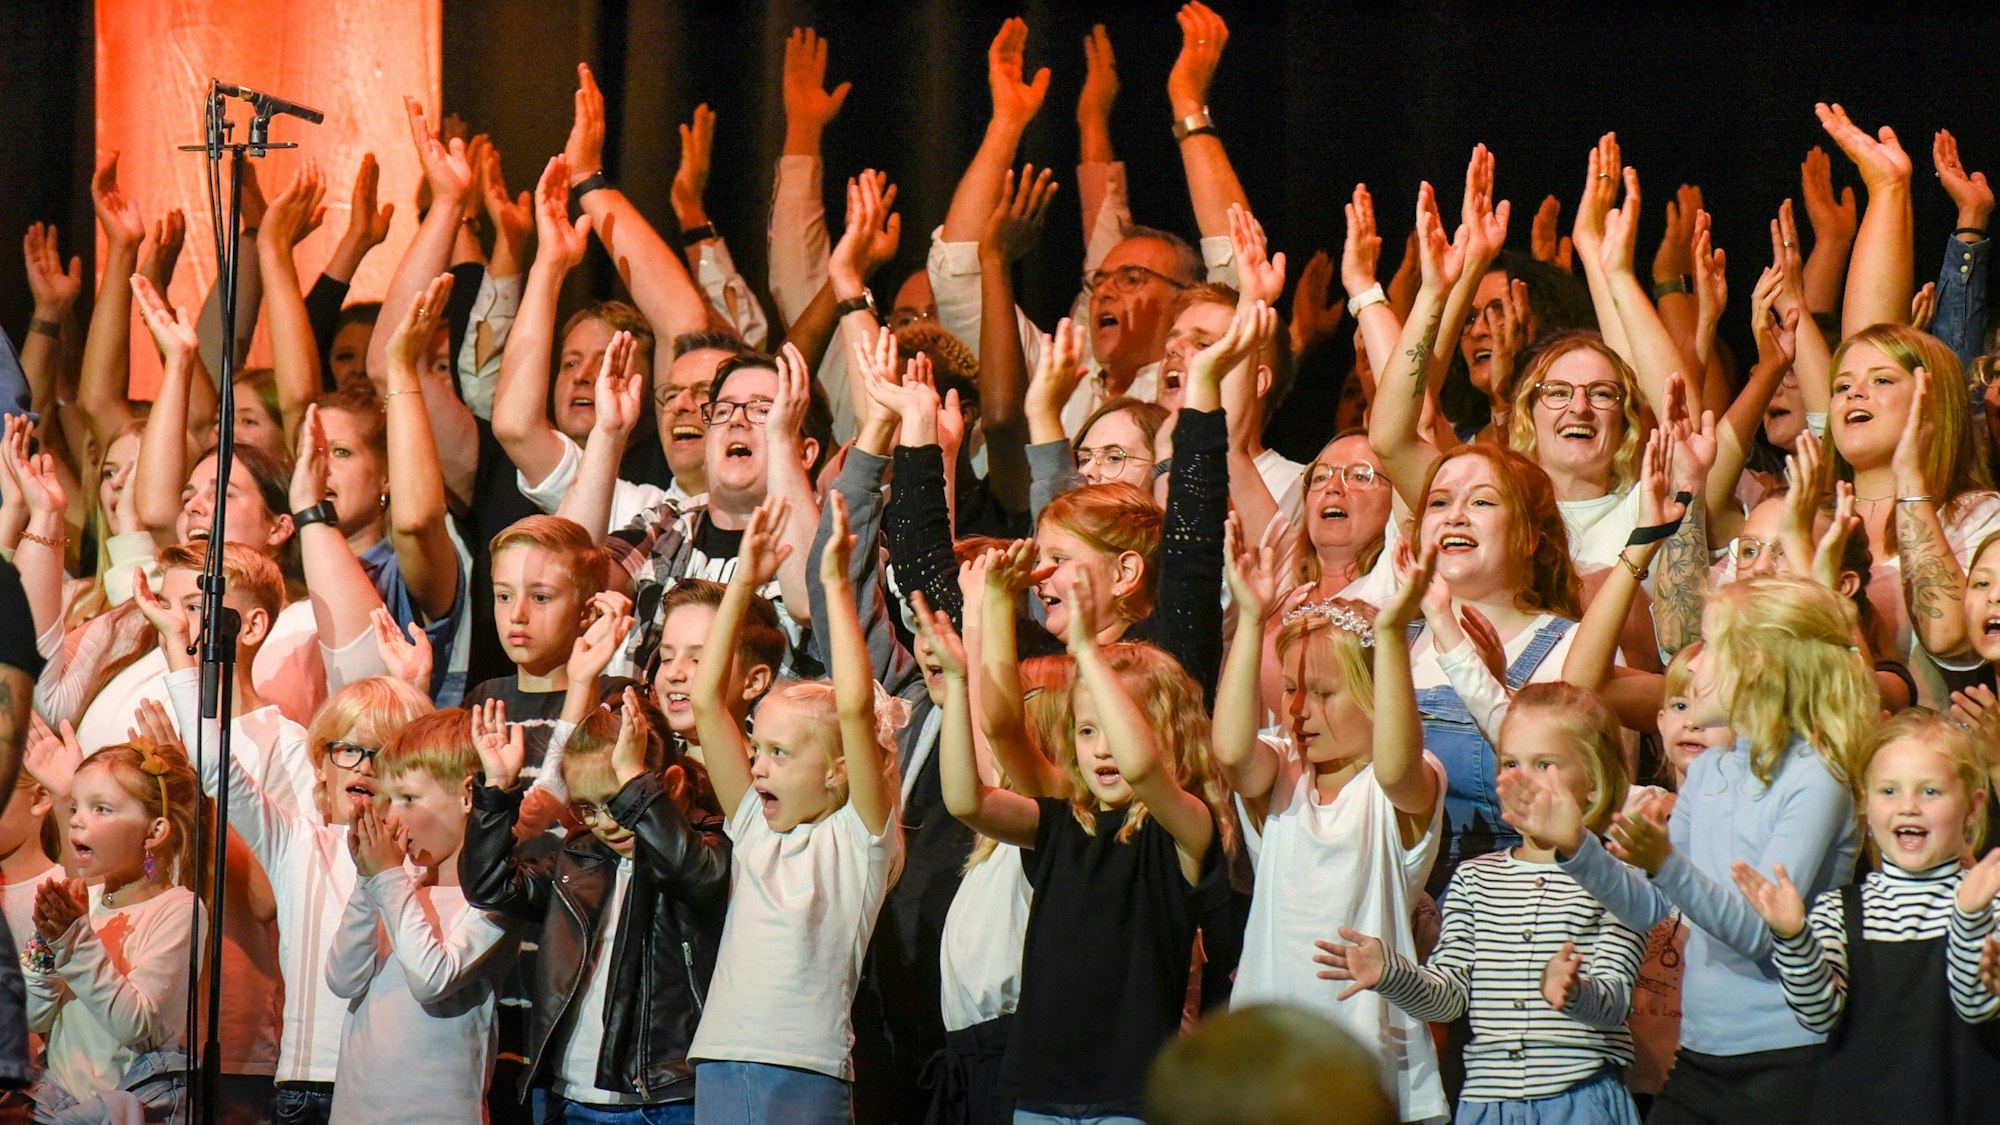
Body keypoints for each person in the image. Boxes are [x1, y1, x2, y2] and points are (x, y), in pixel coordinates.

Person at [1512, 577, 1872, 1124]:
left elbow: (1763, 933)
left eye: (1709, 647)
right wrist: (1576, 846)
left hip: (1791, 1060)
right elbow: (1650, 908)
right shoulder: (1708, 772)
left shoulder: (1816, 777)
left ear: (1755, 667)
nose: (1694, 664)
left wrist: (1665, 863)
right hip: (1701, 1053)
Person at [936, 565, 1230, 1122]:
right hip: (1040, 1093)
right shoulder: (1062, 825)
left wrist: (1087, 653)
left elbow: (1143, 769)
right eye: (1086, 730)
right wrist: (956, 685)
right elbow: (965, 801)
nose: (1101, 749)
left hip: (1132, 1098)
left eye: (1116, 728)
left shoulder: (1184, 828)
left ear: (1169, 731)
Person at [1214, 514, 1447, 1121]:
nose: (1298, 710)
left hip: (1364, 1054)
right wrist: (1250, 621)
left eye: (1322, 692)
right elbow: (1232, 753)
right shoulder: (1282, 770)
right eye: (1291, 690)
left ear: (1375, 697)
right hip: (1269, 1053)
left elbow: (1395, 766)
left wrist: (1390, 636)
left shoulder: (1395, 784)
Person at [686, 496, 904, 1123]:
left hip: (802, 1071)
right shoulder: (755, 826)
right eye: (757, 749)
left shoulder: (861, 841)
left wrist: (836, 585)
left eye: (779, 754)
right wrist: (743, 586)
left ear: (838, 770)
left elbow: (855, 708)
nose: (756, 767)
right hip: (721, 1059)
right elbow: (707, 702)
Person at [462, 687, 729, 1122]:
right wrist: (496, 792)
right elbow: (490, 886)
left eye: (619, 800)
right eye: (588, 807)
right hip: (568, 1096)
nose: (606, 822)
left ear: (669, 786)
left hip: (663, 1102)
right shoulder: (581, 856)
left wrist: (637, 784)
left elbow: (691, 873)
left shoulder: (707, 850)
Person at [1733, 711, 2000, 1122]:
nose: (1908, 807)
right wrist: (1793, 938)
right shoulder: (1839, 911)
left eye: (1930, 791)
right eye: (1889, 791)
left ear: (1972, 807)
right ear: (1865, 803)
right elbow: (1818, 1014)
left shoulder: (1987, 904)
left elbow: (1975, 1006)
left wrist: (1969, 917)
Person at [325, 708, 517, 1125]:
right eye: (389, 800)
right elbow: (343, 979)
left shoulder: (491, 902)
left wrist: (387, 878)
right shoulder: (399, 885)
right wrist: (367, 882)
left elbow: (431, 980)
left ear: (467, 796)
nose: (392, 817)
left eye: (409, 799)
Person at [20, 740, 204, 1121]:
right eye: (75, 807)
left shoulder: (178, 909)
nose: (76, 820)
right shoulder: (84, 900)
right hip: (55, 1101)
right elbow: (35, 1017)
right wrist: (47, 945)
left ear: (153, 831)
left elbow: (135, 1024)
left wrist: (74, 939)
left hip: (125, 1105)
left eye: (101, 808)